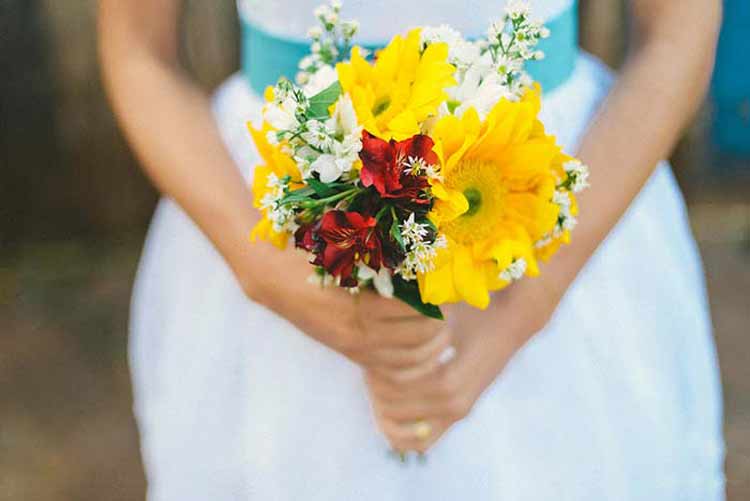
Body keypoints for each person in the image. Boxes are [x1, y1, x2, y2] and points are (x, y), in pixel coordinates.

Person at [99, 0, 725, 499]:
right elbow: (137, 50)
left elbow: (679, 26)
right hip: (280, 202)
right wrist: (271, 271)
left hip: (556, 199)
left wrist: (525, 302)